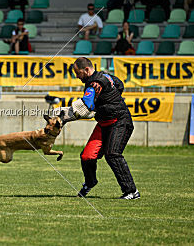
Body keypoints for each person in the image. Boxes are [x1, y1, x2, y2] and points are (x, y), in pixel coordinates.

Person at [55, 57, 140, 200]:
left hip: (119, 122)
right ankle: (90, 182)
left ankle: (131, 191)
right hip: (104, 124)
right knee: (87, 156)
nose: (77, 76)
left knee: (112, 154)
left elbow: (86, 105)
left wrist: (65, 114)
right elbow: (120, 85)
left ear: (86, 70)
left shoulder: (94, 83)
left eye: (78, 73)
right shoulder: (107, 76)